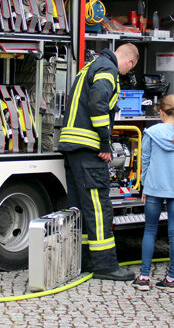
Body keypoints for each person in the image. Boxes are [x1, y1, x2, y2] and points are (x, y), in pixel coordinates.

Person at [58, 43, 139, 281]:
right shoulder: (108, 69)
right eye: (128, 70)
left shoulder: (91, 65)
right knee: (98, 207)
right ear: (130, 63)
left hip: (72, 148)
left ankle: (82, 260)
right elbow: (98, 101)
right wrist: (105, 142)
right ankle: (105, 264)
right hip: (88, 149)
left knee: (79, 208)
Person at [132, 95, 174, 292]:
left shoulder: (151, 132)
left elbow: (145, 160)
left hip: (154, 186)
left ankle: (144, 276)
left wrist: (144, 186)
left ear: (161, 112)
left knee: (150, 230)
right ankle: (172, 279)